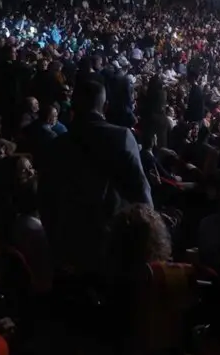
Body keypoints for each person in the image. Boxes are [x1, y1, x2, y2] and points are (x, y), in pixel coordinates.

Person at [46, 79, 152, 276]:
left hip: (69, 243)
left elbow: (47, 198)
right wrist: (150, 242)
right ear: (105, 106)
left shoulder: (57, 145)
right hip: (113, 240)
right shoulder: (122, 137)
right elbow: (141, 193)